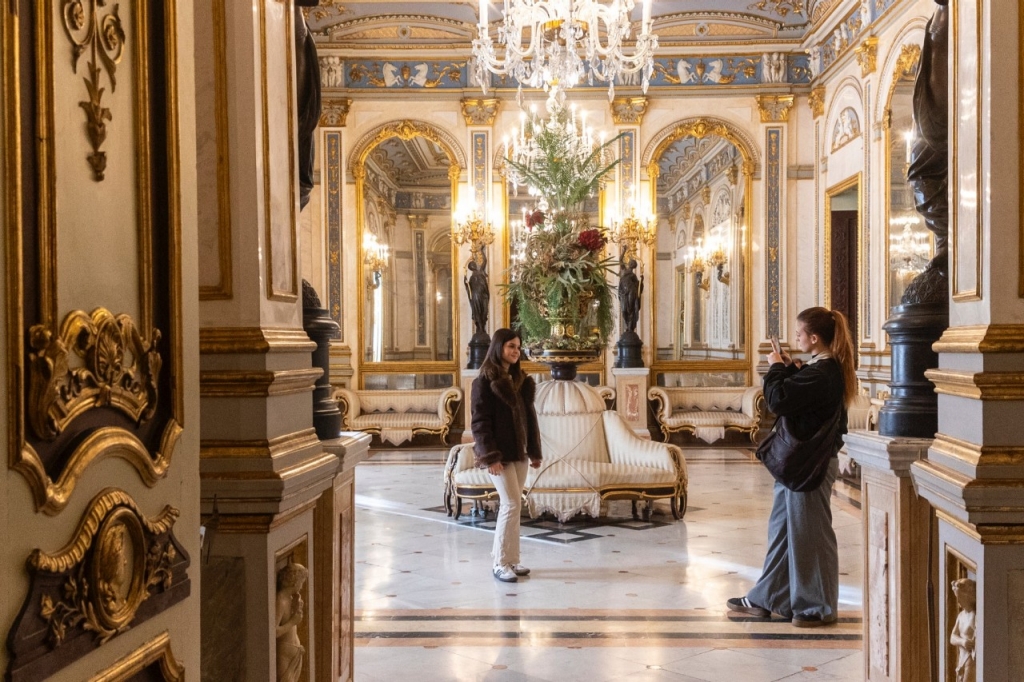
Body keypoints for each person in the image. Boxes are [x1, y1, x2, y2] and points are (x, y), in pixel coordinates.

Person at [727, 307, 857, 627]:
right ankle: (768, 597)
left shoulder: (824, 372)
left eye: (799, 333)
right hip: (798, 465)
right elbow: (796, 396)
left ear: (813, 339)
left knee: (810, 536)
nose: (796, 338)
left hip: (810, 465)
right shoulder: (818, 368)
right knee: (782, 532)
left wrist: (775, 369)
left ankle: (817, 607)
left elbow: (779, 401)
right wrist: (788, 367)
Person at [470, 328, 542, 583]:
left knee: (514, 504)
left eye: (518, 347)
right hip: (499, 454)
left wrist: (534, 450)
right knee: (510, 504)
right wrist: (490, 457)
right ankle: (500, 562)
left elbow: (529, 419)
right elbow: (480, 423)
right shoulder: (484, 382)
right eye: (511, 346)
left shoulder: (521, 380)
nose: (515, 351)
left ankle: (512, 559)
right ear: (499, 347)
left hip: (519, 452)